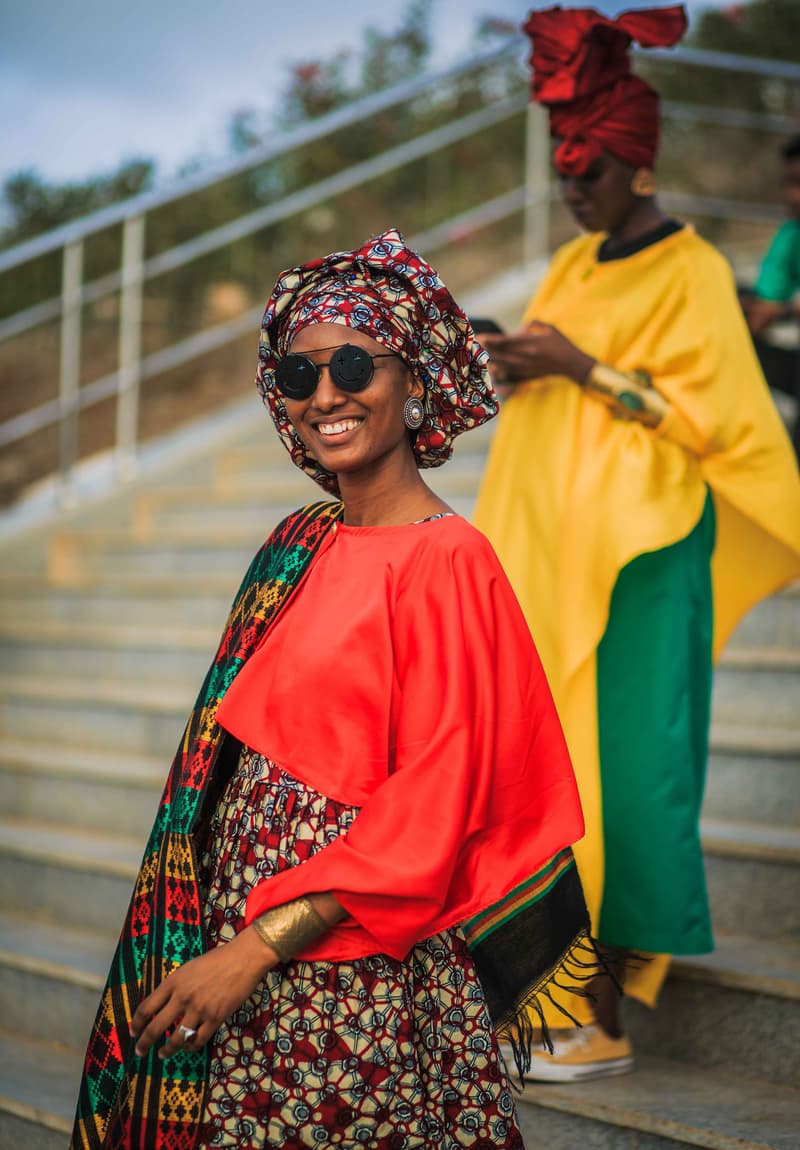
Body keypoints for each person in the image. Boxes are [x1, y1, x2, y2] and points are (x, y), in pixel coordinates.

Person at [71, 227, 596, 1150]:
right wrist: (225, 938)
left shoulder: (449, 561)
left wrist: (255, 949)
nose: (325, 396)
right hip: (234, 943)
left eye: (354, 364)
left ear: (414, 378)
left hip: (345, 969)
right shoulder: (301, 540)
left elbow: (432, 809)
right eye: (298, 374)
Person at [473, 4, 800, 1083]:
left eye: (593, 171)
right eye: (565, 173)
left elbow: (708, 421)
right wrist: (514, 357)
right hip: (555, 556)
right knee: (546, 772)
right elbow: (558, 362)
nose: (574, 189)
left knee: (622, 778)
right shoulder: (573, 268)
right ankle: (550, 994)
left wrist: (580, 370)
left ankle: (598, 1014)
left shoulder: (694, 270)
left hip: (646, 559)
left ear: (641, 169)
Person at [744, 134, 800, 338]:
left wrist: (786, 309)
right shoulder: (791, 235)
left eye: (799, 183)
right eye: (787, 184)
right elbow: (764, 308)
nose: (791, 195)